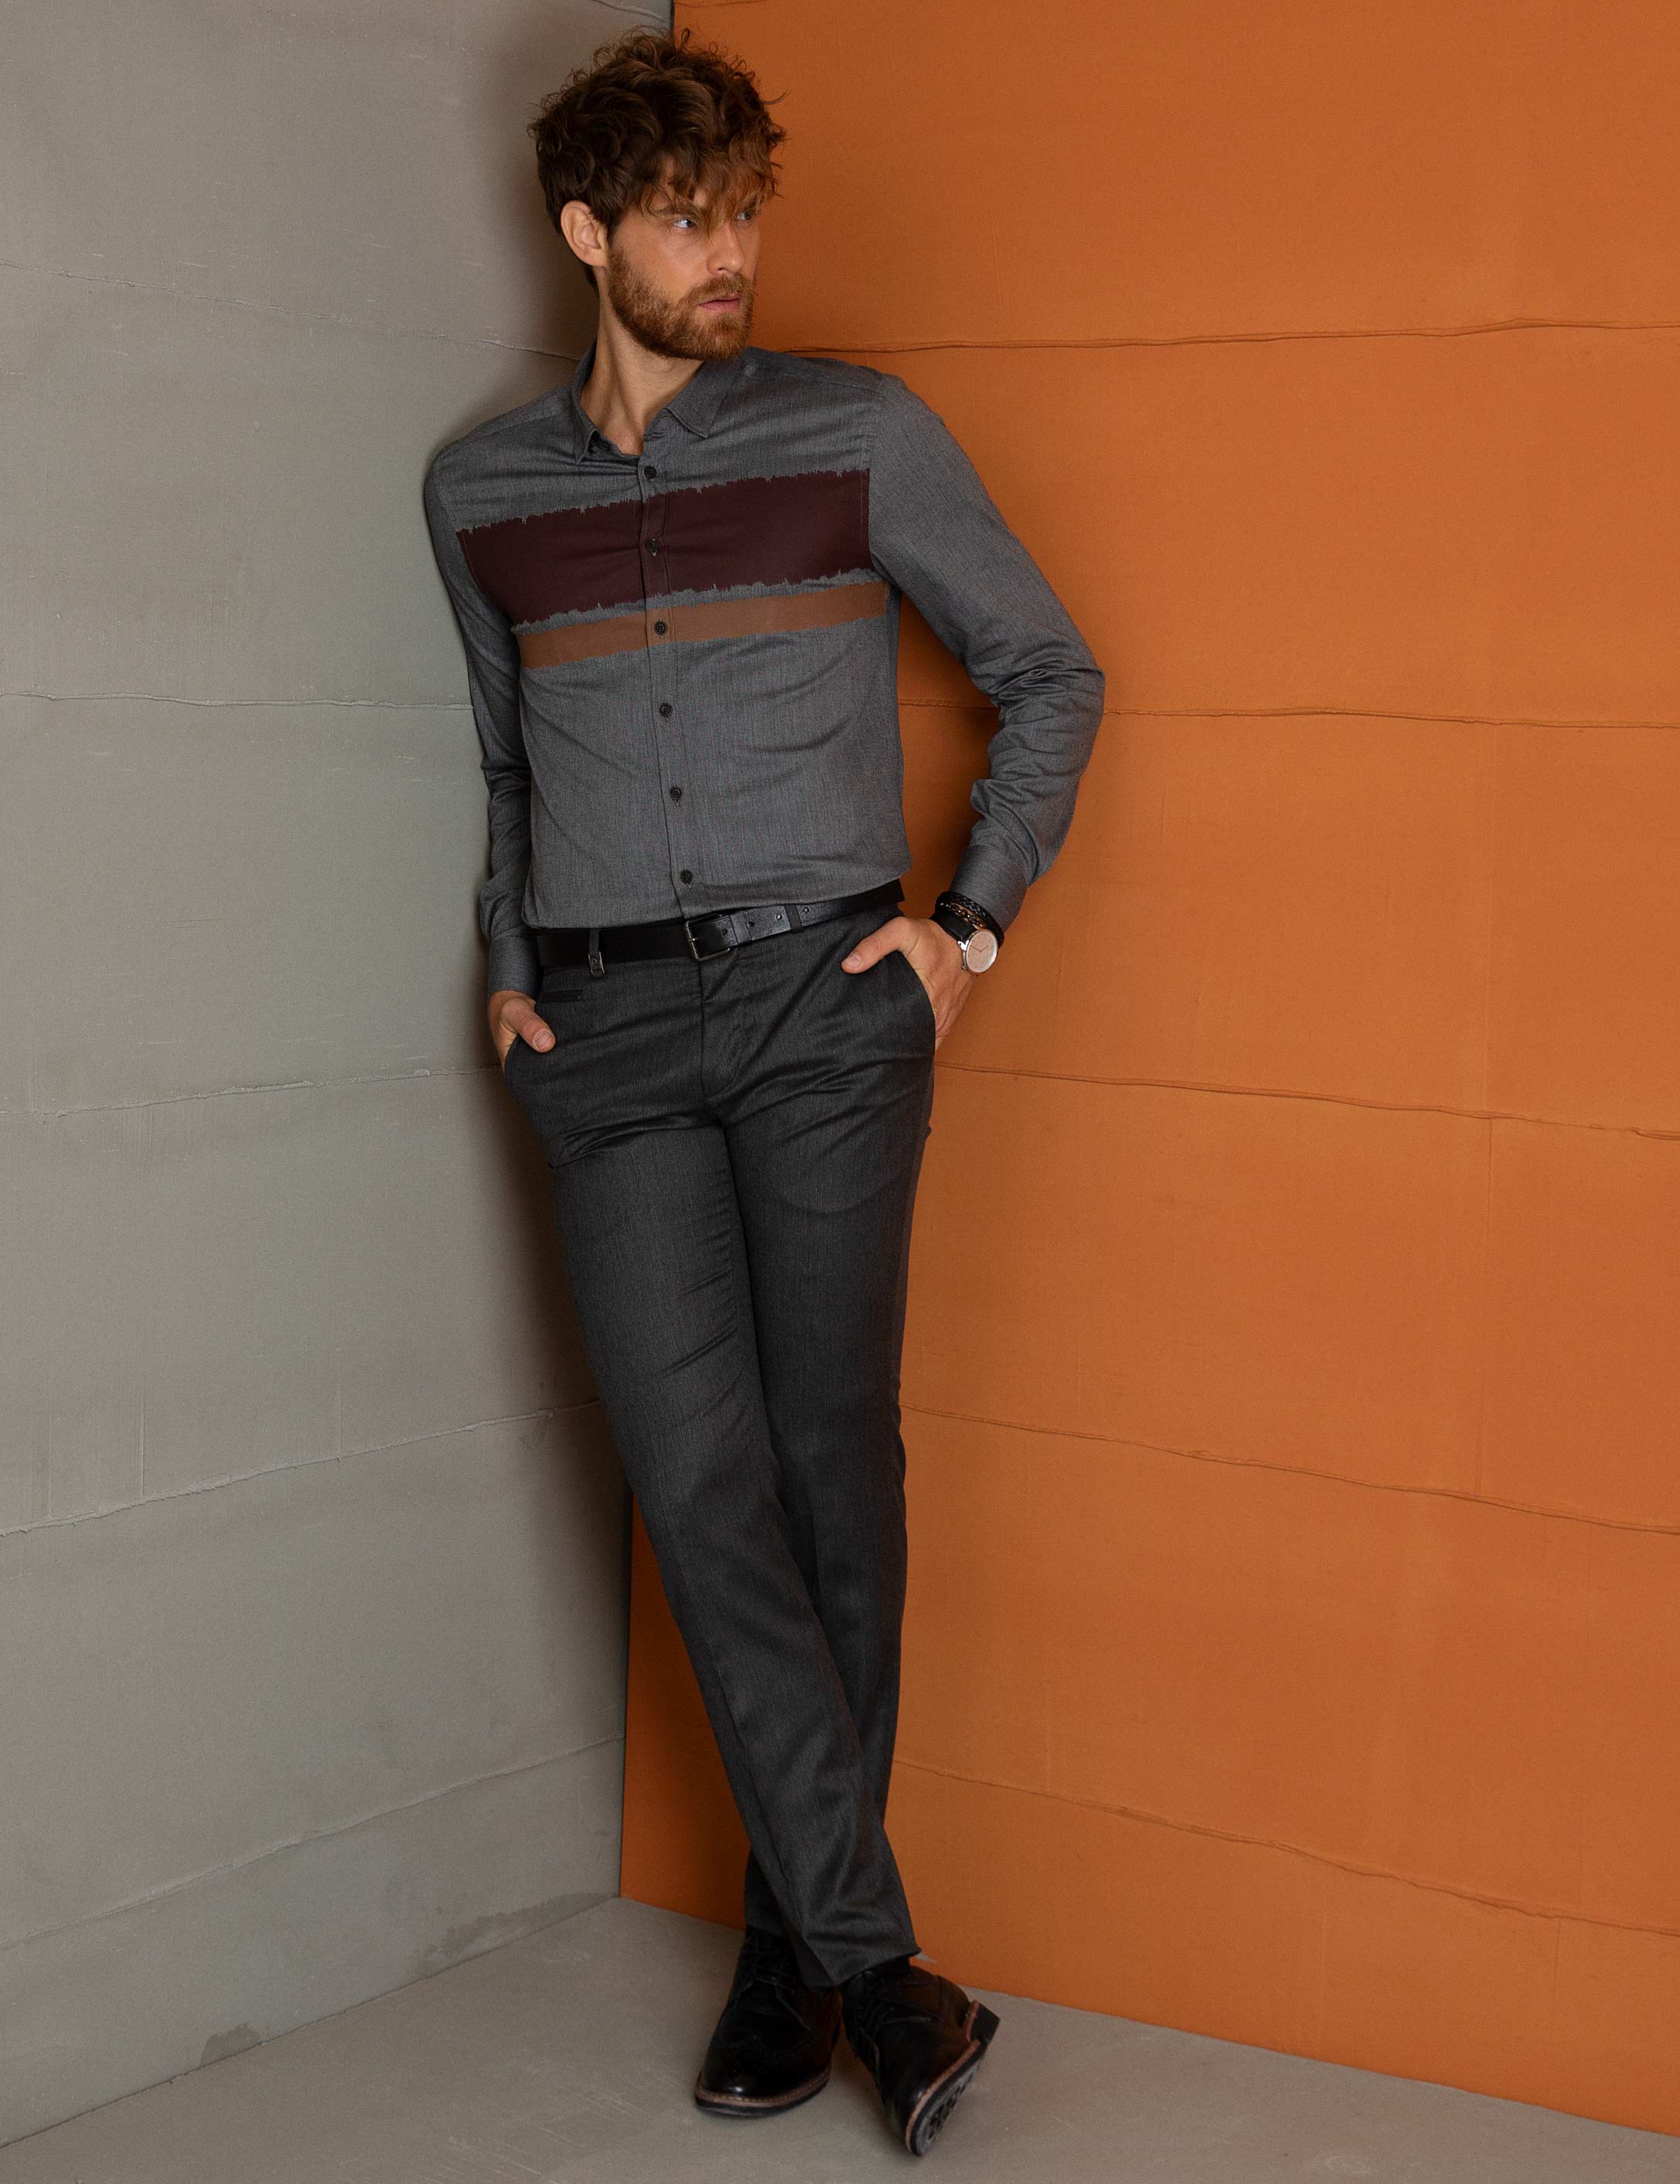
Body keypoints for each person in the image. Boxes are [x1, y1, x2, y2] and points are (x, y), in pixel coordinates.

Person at [422, 23, 1105, 2159]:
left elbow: (1050, 668)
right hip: (606, 1046)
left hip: (827, 1012)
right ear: (586, 234)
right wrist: (510, 967)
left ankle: (792, 1947)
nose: (729, 256)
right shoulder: (482, 495)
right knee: (694, 1476)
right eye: (684, 220)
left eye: (743, 215)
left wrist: (966, 930)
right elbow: (508, 761)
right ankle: (876, 1967)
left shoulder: (857, 433)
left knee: (826, 1470)